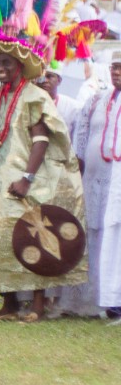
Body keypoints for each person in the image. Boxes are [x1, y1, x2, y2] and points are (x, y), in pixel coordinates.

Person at [0, 42, 87, 322]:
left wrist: (27, 178)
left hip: (27, 181)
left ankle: (37, 305)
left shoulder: (34, 96)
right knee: (1, 239)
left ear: (21, 65)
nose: (1, 68)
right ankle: (9, 304)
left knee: (32, 237)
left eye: (7, 63)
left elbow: (41, 140)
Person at [63, 52, 121, 318]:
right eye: (115, 68)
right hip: (94, 179)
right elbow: (82, 135)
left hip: (116, 182)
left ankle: (114, 299)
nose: (117, 72)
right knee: (94, 234)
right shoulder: (98, 98)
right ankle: (95, 299)